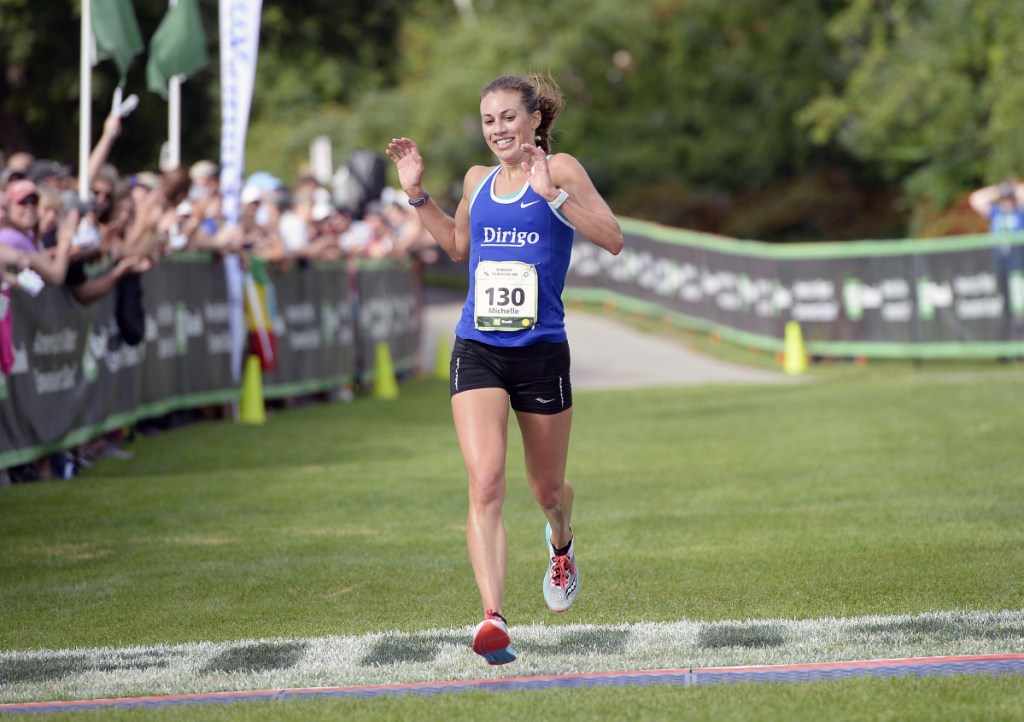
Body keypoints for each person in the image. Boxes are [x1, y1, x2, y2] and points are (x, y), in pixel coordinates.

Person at [386, 73, 624, 665]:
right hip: (479, 347)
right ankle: (493, 618)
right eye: (489, 121)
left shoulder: (561, 169)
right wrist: (417, 195)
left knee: (546, 489)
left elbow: (614, 238)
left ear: (535, 120)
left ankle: (562, 541)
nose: (498, 130)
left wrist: (554, 199)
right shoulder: (477, 180)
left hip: (542, 351)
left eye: (509, 118)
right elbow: (458, 248)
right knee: (485, 479)